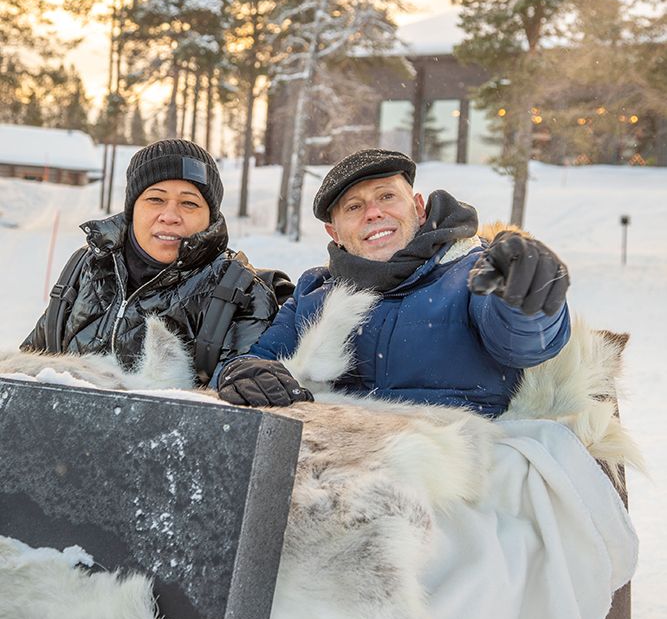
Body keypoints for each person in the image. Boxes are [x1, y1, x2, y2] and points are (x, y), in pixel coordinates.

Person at [217, 148, 570, 415]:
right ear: (333, 232)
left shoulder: (472, 271)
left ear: (418, 207)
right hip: (341, 465)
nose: (374, 212)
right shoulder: (314, 293)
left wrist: (530, 297)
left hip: (455, 468)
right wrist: (240, 373)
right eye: (354, 208)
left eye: (387, 196)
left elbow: (521, 341)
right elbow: (262, 360)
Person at [22, 139, 292, 386]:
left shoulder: (242, 293)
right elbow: (28, 370)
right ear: (133, 208)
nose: (170, 215)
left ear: (210, 217)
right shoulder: (86, 268)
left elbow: (235, 403)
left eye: (189, 203)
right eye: (155, 199)